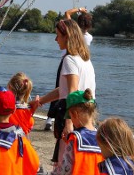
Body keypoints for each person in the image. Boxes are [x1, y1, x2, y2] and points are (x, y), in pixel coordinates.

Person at [38, 19, 96, 167]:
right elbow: (63, 90)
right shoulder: (85, 60)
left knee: (65, 162)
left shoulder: (69, 60)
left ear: (67, 36)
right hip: (87, 118)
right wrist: (40, 101)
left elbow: (72, 91)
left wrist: (68, 123)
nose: (56, 39)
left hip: (73, 118)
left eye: (58, 35)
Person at [52, 89, 102, 175]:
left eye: (70, 116)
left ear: (74, 114)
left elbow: (66, 168)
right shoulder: (102, 137)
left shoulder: (75, 138)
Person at [8, 72, 37, 136]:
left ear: (10, 88)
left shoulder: (6, 109)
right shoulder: (28, 109)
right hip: (23, 142)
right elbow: (29, 126)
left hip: (8, 141)